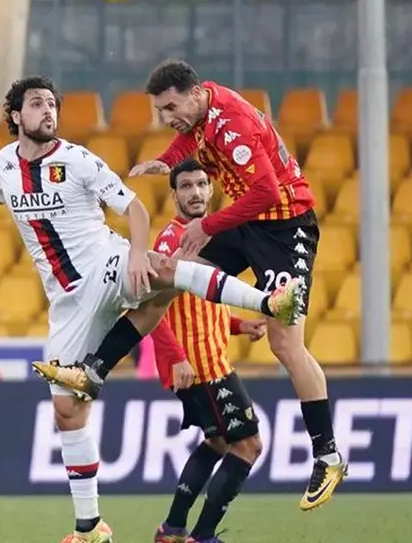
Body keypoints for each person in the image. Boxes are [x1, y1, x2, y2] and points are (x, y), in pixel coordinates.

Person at [0, 76, 304, 543]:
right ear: (16, 116)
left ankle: (269, 300)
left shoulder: (78, 159)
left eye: (52, 104)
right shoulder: (6, 162)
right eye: (38, 103)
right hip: (68, 303)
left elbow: (136, 210)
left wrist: (139, 254)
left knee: (164, 272)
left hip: (106, 262)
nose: (48, 110)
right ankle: (90, 527)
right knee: (67, 410)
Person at [39, 59, 346, 511]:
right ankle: (92, 371)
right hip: (248, 222)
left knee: (285, 343)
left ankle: (328, 456)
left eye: (170, 108)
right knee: (164, 280)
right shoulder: (206, 107)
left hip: (285, 228)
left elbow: (266, 191)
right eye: (160, 111)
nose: (167, 118)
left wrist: (208, 225)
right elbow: (192, 138)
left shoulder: (234, 125)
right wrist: (165, 160)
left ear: (196, 93)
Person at [148, 158, 266, 543]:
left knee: (217, 441)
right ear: (174, 195)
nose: (196, 192)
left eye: (201, 184)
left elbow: (201, 304)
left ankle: (172, 528)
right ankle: (203, 536)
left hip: (210, 359)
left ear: (211, 189)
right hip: (200, 366)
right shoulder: (172, 241)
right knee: (248, 445)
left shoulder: (207, 238)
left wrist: (238, 325)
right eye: (186, 186)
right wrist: (176, 358)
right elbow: (150, 309)